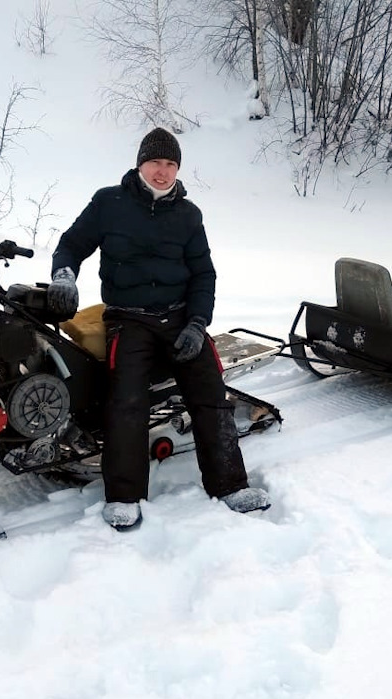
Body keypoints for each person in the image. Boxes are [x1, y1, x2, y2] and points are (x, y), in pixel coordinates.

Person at [46, 127, 270, 531]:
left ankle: (230, 485)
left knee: (211, 396)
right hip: (129, 319)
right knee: (126, 401)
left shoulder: (188, 214)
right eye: (155, 162)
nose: (162, 172)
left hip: (182, 317)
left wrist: (198, 323)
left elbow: (204, 274)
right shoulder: (108, 203)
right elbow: (71, 244)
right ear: (140, 164)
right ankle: (125, 496)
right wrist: (63, 276)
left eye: (170, 164)